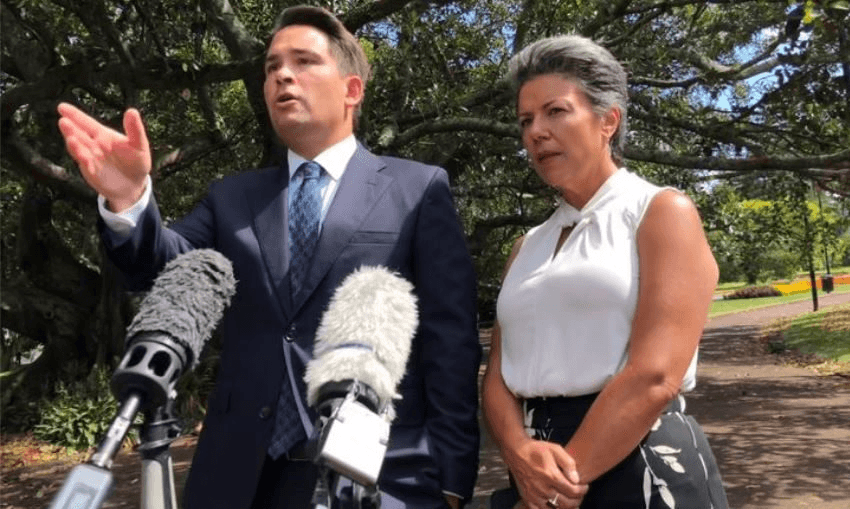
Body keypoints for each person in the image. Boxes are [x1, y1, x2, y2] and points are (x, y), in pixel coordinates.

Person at [57, 6, 481, 509]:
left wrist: (453, 478)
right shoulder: (232, 197)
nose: (282, 74)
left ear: (351, 90)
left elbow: (449, 340)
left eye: (303, 61)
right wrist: (128, 199)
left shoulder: (417, 188)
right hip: (236, 476)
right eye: (271, 66)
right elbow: (163, 267)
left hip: (373, 474)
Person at [482, 35, 729, 509]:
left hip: (638, 464)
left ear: (607, 121)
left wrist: (555, 490)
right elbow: (497, 375)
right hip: (537, 470)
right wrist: (517, 454)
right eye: (525, 120)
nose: (536, 131)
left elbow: (655, 375)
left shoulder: (660, 211)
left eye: (555, 111)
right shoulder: (525, 247)